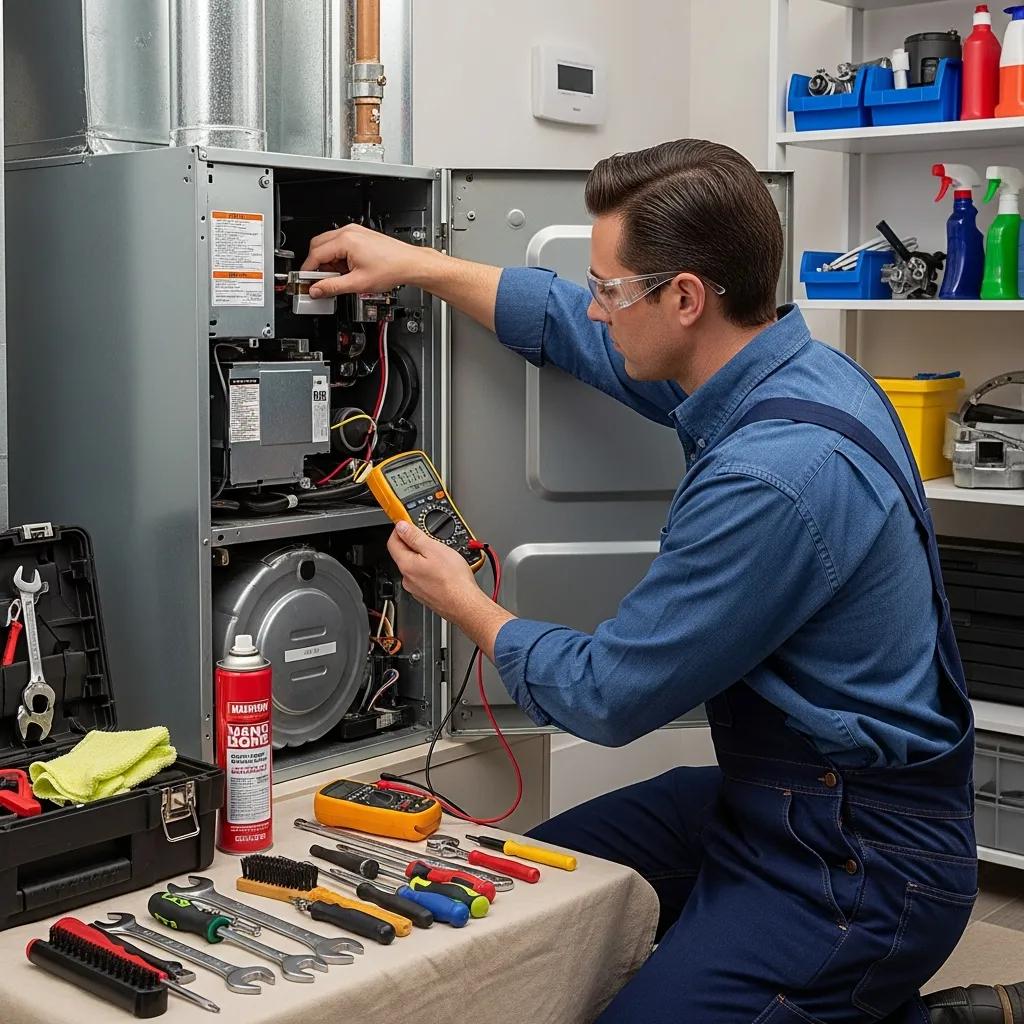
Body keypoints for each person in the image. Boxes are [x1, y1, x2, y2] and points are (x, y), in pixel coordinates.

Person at [303, 139, 1023, 1024]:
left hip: (861, 858)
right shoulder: (786, 366)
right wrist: (416, 263)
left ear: (685, 298)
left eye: (611, 287)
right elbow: (574, 326)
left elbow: (611, 695)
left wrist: (466, 604)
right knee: (520, 901)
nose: (599, 309)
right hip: (772, 801)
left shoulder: (775, 476)